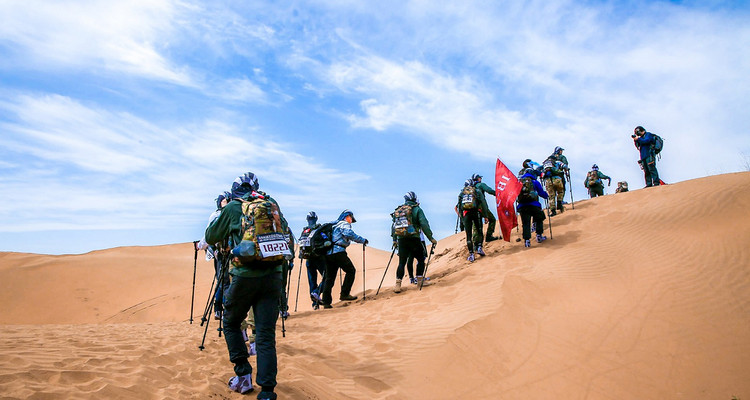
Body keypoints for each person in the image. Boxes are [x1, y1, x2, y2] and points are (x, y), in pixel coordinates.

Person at [204, 172, 285, 399]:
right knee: (266, 334)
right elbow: (285, 231)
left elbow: (211, 235)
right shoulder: (271, 205)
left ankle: (243, 375)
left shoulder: (233, 208)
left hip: (244, 275)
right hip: (273, 275)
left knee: (230, 323)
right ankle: (267, 391)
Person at [391, 191, 438, 293]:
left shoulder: (398, 211)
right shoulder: (417, 209)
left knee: (402, 262)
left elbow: (394, 227)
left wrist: (394, 240)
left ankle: (398, 284)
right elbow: (424, 224)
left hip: (402, 240)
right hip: (414, 239)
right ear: (414, 199)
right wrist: (431, 238)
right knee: (420, 259)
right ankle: (420, 281)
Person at [320, 209, 368, 308]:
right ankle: (345, 294)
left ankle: (326, 301)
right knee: (351, 271)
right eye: (350, 218)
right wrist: (362, 240)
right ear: (347, 216)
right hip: (338, 252)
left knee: (330, 278)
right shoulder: (344, 224)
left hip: (328, 253)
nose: (351, 220)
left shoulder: (333, 225)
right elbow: (348, 234)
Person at [196, 191, 232, 320]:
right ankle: (223, 309)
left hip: (221, 254)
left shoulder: (216, 215)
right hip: (229, 254)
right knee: (226, 282)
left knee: (222, 281)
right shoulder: (231, 214)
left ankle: (219, 310)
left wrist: (200, 246)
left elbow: (208, 235)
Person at [299, 211, 327, 308]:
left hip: (308, 258)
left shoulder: (305, 231)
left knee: (312, 281)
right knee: (327, 277)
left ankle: (315, 303)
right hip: (319, 257)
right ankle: (316, 293)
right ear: (316, 218)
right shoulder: (319, 229)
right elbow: (326, 240)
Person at [516, 169, 549, 248]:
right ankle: (539, 236)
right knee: (539, 219)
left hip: (522, 206)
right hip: (534, 205)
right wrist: (546, 196)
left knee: (526, 223)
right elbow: (541, 193)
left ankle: (527, 241)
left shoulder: (519, 183)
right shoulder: (535, 182)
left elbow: (515, 194)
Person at [456, 179, 484, 262]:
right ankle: (479, 247)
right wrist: (484, 215)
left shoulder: (461, 193)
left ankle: (471, 254)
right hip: (475, 213)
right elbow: (481, 202)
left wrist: (462, 218)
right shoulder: (477, 191)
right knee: (479, 230)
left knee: (469, 235)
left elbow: (459, 207)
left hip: (466, 215)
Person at [471, 174, 499, 242]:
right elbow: (489, 190)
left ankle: (475, 244)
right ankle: (489, 236)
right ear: (478, 179)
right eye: (480, 177)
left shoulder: (471, 187)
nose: (481, 178)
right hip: (481, 206)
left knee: (476, 225)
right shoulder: (481, 185)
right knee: (492, 219)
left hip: (473, 208)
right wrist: (498, 193)